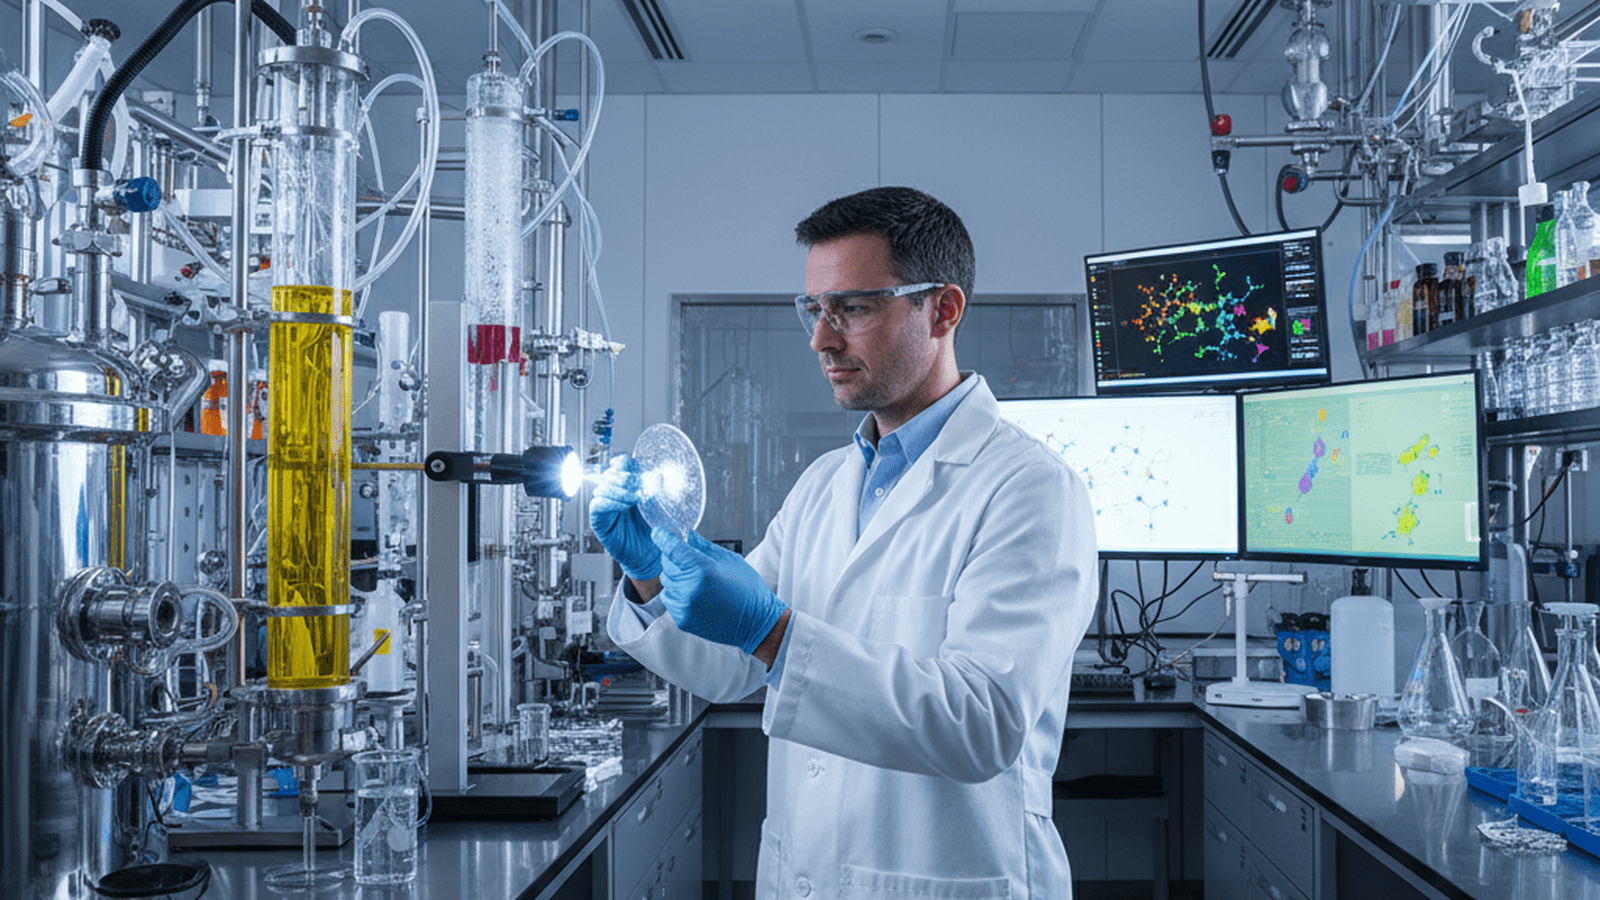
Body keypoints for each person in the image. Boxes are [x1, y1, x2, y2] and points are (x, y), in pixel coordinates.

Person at [591, 186, 1098, 898]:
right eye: (814, 309)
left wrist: (772, 632)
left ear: (943, 309)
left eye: (852, 308)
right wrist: (648, 572)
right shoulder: (826, 484)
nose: (821, 340)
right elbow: (731, 668)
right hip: (808, 871)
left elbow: (981, 723)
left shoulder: (1030, 489)